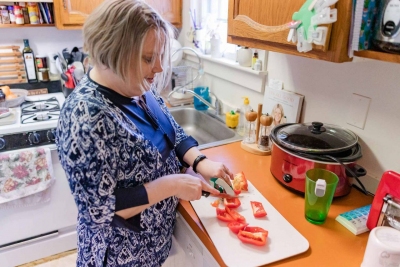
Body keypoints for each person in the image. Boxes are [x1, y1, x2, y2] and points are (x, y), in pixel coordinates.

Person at [55, 1, 234, 266]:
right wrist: (172, 185)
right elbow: (98, 212)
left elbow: (172, 130)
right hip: (119, 256)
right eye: (149, 58)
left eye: (159, 56)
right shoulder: (85, 117)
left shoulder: (136, 87)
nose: (159, 68)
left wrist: (200, 161)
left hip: (153, 246)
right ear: (112, 53)